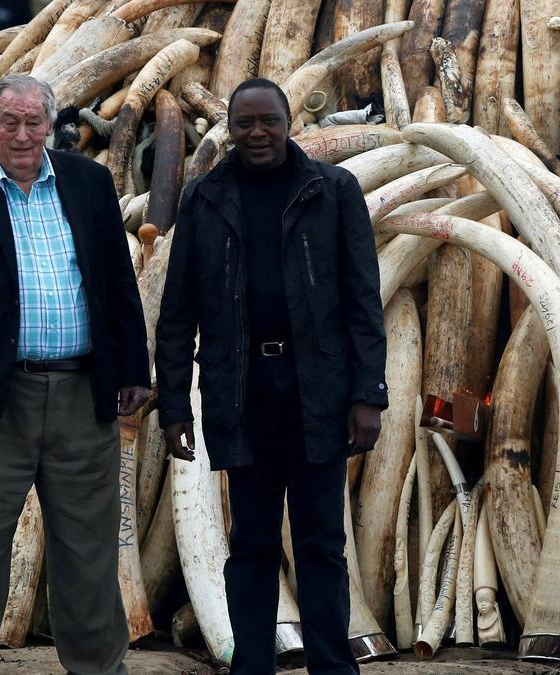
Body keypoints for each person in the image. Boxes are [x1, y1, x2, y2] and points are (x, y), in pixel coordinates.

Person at [0, 74, 150, 675]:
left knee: (89, 553)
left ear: (50, 125)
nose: (21, 135)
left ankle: (99, 668)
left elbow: (119, 282)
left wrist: (133, 367)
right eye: (8, 122)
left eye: (33, 122)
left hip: (81, 395)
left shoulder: (89, 183)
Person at [155, 78, 388, 674]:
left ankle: (333, 668)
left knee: (320, 545)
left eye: (268, 122)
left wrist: (369, 395)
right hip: (241, 396)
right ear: (228, 129)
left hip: (320, 395)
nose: (257, 134)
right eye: (244, 123)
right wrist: (176, 406)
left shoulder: (331, 191)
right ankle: (251, 666)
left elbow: (364, 301)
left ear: (290, 124)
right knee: (251, 545)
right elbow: (178, 314)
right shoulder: (205, 199)